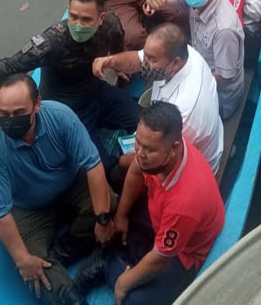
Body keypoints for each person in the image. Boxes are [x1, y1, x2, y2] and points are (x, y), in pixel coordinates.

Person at [0, 0, 140, 169]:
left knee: (144, 120)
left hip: (96, 92)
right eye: (73, 17)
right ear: (68, 11)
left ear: (101, 19)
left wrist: (116, 62)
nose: (78, 25)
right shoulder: (52, 42)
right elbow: (12, 64)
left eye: (86, 20)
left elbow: (117, 40)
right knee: (105, 167)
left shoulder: (110, 24)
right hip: (67, 111)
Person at [0, 74, 114, 305]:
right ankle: (72, 298)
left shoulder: (61, 118)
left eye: (19, 113)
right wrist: (23, 260)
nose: (11, 120)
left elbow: (92, 164)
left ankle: (66, 249)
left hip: (70, 184)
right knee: (35, 274)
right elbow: (0, 214)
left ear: (37, 104)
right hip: (30, 208)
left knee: (109, 202)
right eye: (4, 115)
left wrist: (102, 220)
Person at [73, 102, 225, 305]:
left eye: (149, 149)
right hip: (160, 210)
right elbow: (136, 169)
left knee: (134, 300)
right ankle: (120, 255)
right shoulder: (160, 154)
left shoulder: (184, 203)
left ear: (175, 148)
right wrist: (121, 215)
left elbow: (161, 257)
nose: (140, 153)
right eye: (138, 142)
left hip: (184, 251)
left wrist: (123, 283)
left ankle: (109, 265)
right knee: (119, 175)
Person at [92, 24, 224, 172]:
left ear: (176, 63)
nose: (146, 63)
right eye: (147, 56)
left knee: (118, 171)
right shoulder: (184, 54)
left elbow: (160, 155)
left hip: (191, 164)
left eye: (152, 60)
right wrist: (110, 61)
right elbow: (139, 59)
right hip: (180, 134)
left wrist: (120, 162)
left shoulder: (183, 112)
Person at [147, 0, 244, 119]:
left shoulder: (224, 29)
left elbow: (224, 78)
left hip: (219, 99)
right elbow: (167, 0)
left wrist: (184, 76)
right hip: (198, 62)